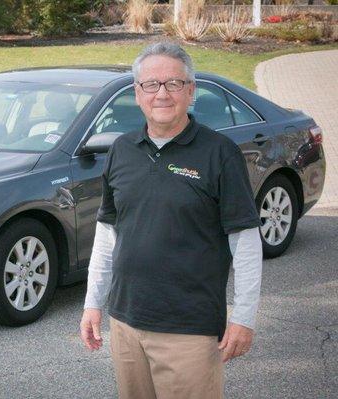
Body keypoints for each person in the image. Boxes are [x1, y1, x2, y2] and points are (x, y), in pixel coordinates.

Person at [79, 42, 263, 399]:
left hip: (189, 331)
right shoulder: (122, 149)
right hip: (126, 324)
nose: (161, 93)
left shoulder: (220, 154)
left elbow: (245, 241)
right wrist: (92, 304)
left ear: (191, 91)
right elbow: (107, 234)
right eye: (151, 84)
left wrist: (244, 317)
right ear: (137, 92)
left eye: (174, 84)